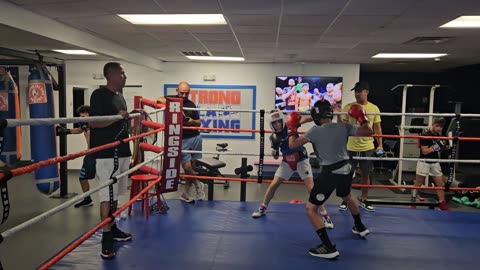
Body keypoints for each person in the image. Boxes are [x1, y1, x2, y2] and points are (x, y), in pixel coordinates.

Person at [288, 100, 372, 259]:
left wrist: (293, 127)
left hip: (330, 173)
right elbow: (368, 132)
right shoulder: (344, 126)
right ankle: (360, 227)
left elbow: (292, 145)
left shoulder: (314, 131)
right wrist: (362, 118)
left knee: (311, 209)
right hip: (347, 169)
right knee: (347, 195)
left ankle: (328, 247)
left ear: (315, 116)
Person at [251, 111, 334, 229]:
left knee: (311, 189)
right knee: (273, 184)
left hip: (301, 160)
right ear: (272, 125)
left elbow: (305, 119)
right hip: (286, 162)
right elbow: (275, 157)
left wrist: (317, 115)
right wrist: (274, 149)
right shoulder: (273, 137)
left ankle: (325, 215)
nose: (278, 125)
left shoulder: (290, 125)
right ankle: (263, 207)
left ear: (282, 121)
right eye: (275, 123)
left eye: (279, 122)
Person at [89, 62, 133, 259]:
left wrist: (132, 115)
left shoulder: (119, 96)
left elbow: (120, 118)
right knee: (107, 197)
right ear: (112, 75)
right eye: (122, 73)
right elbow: (94, 123)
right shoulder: (99, 95)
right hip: (107, 154)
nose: (125, 77)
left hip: (122, 151)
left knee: (116, 195)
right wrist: (117, 117)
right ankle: (106, 238)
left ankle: (113, 227)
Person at [156, 81, 205, 203]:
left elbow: (199, 123)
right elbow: (159, 99)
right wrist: (168, 103)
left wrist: (191, 121)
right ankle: (199, 184)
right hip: (181, 139)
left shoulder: (191, 104)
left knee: (191, 168)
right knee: (187, 167)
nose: (183, 96)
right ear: (177, 91)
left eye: (186, 93)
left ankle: (185, 194)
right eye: (182, 93)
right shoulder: (172, 99)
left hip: (195, 138)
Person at [338, 81, 383, 212]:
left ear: (366, 92)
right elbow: (342, 127)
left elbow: (377, 128)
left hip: (367, 147)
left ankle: (364, 199)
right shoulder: (348, 107)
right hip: (351, 146)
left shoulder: (374, 108)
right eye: (355, 91)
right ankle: (346, 199)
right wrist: (339, 114)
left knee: (365, 174)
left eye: (359, 91)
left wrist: (379, 144)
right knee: (347, 174)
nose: (357, 94)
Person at [56, 105, 96, 207]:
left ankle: (112, 200)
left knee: (106, 178)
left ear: (89, 114)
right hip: (90, 155)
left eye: (83, 116)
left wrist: (88, 128)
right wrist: (66, 131)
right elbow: (79, 130)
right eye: (80, 117)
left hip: (99, 154)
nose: (81, 118)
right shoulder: (85, 124)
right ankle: (87, 198)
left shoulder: (97, 123)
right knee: (82, 177)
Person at [411, 117, 450, 210]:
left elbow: (442, 149)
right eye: (437, 126)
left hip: (435, 162)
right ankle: (413, 202)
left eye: (440, 127)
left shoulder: (439, 136)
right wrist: (437, 146)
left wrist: (447, 147)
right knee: (418, 183)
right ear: (433, 124)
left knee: (440, 183)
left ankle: (442, 203)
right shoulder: (425, 135)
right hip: (424, 162)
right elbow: (425, 151)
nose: (438, 129)